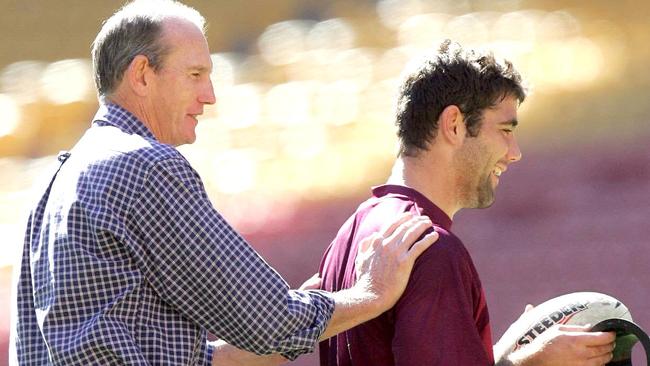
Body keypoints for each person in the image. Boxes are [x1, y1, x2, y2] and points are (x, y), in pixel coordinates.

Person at [9, 1, 439, 365]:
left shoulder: (56, 178)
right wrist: (372, 294)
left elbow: (177, 354)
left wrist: (296, 318)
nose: (210, 95)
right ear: (141, 74)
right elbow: (271, 320)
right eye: (195, 74)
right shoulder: (144, 164)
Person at [318, 40, 616, 366]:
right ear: (454, 124)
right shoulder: (430, 248)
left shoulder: (348, 235)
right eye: (504, 129)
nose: (514, 152)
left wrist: (508, 355)